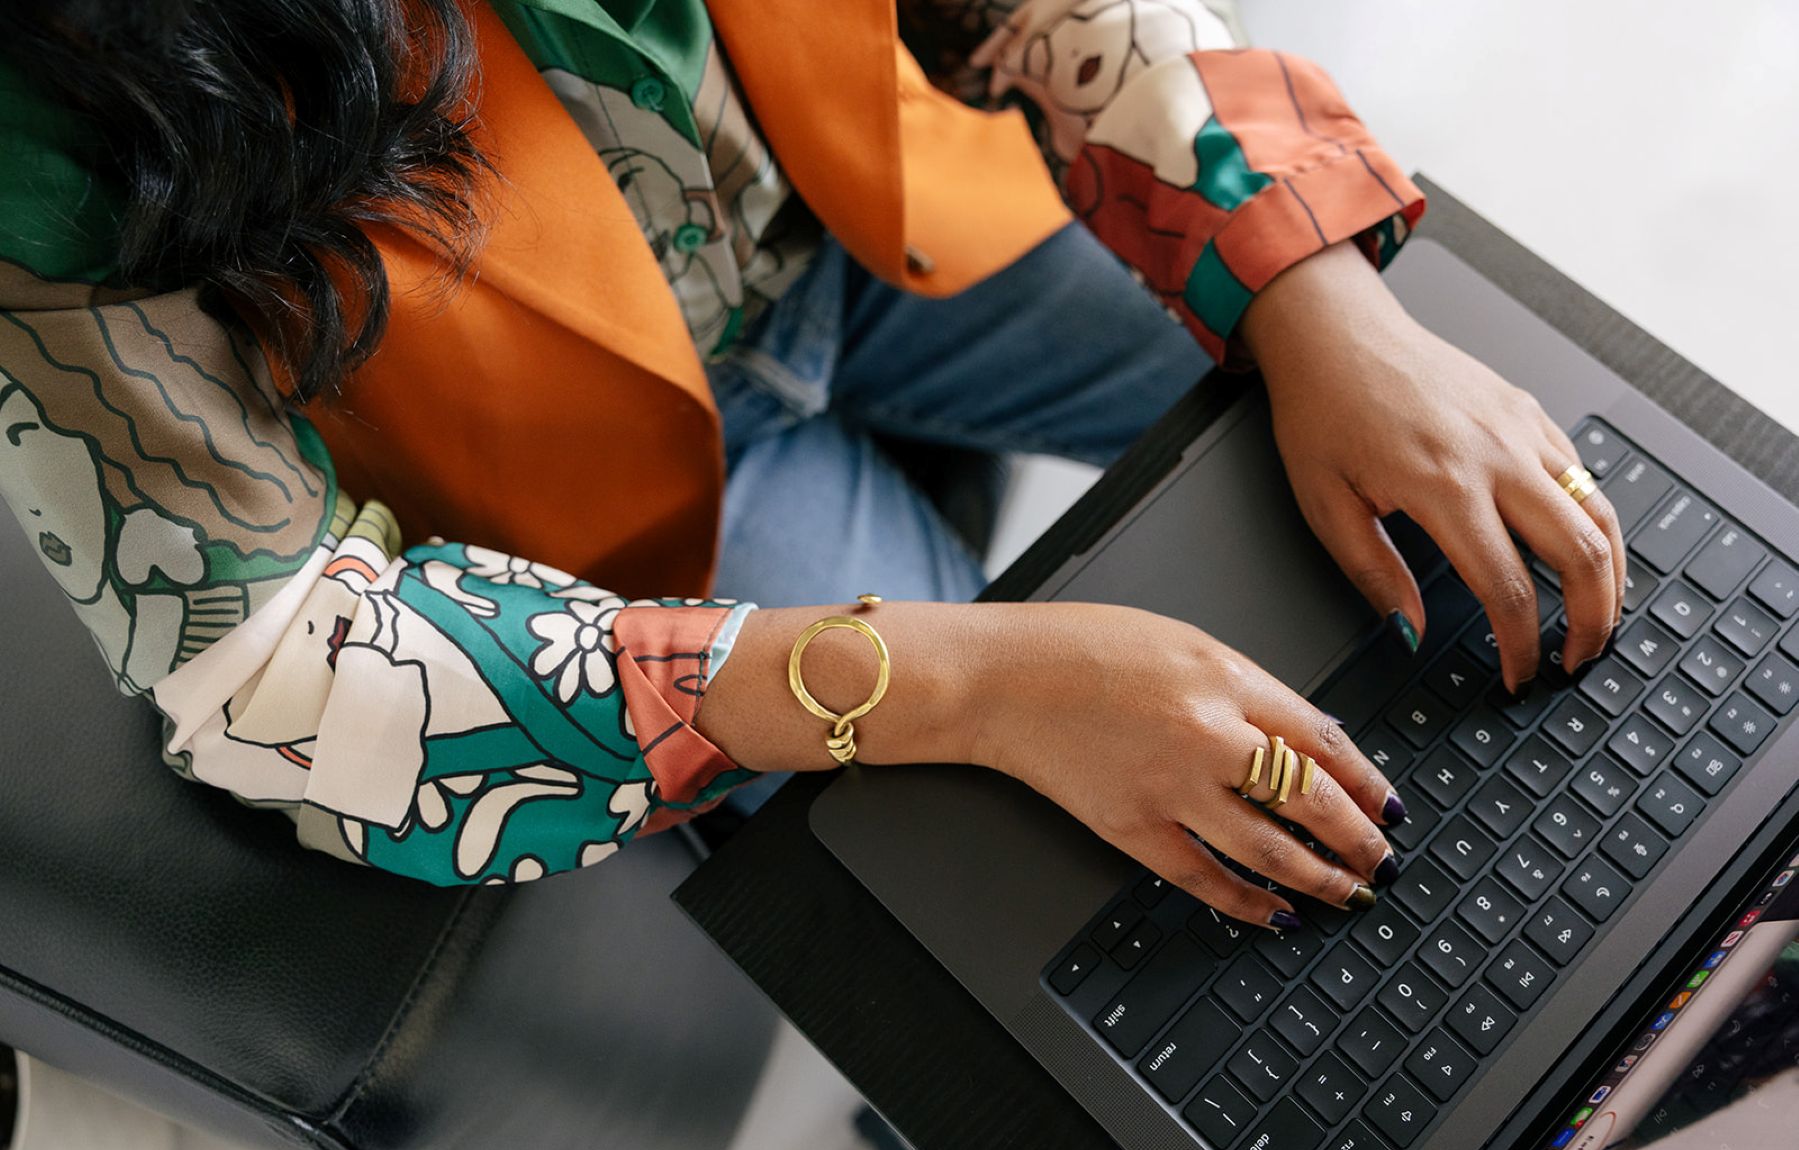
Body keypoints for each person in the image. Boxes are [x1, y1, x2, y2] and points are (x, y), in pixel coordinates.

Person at [0, 0, 1625, 930]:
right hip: (593, 510)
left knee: (1520, 471)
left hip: (900, 198)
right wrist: (975, 685)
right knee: (1103, 921)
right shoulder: (38, 101)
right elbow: (279, 669)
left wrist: (1313, 284)